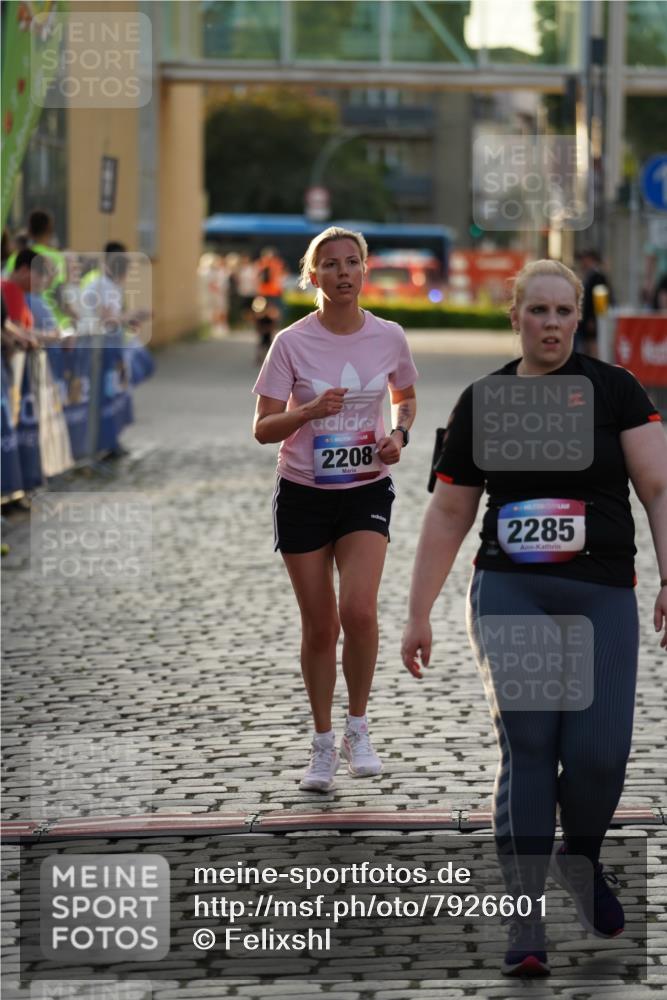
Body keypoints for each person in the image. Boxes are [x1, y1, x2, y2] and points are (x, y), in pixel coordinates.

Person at [401, 259, 667, 977]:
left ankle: (576, 855)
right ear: (514, 316)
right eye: (536, 311)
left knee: (598, 755)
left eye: (562, 311)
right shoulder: (481, 400)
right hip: (510, 589)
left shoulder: (614, 391)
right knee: (527, 747)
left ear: (578, 318)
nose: (550, 323)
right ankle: (523, 925)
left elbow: (657, 487)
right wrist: (417, 610)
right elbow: (450, 510)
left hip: (600, 593)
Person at [253, 226, 418, 792]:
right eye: (330, 264)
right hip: (302, 491)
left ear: (364, 271)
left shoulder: (389, 336)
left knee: (361, 612)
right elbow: (261, 427)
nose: (343, 273)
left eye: (352, 263)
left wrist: (398, 434)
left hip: (366, 488)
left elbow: (406, 397)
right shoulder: (291, 343)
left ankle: (358, 727)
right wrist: (307, 413)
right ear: (313, 275)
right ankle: (322, 745)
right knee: (320, 625)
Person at [574, 249, 612, 357]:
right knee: (586, 345)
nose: (582, 262)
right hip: (586, 319)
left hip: (592, 319)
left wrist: (594, 318)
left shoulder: (598, 276)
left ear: (591, 259)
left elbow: (601, 300)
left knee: (592, 345)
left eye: (584, 259)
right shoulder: (589, 275)